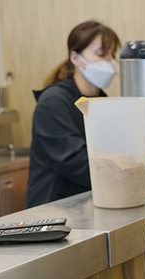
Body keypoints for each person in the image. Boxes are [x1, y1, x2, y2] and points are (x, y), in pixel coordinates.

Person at [25, 20, 119, 207]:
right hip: (55, 208)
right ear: (75, 58)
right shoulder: (53, 102)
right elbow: (76, 161)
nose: (109, 61)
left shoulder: (101, 100)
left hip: (89, 202)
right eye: (101, 53)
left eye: (112, 54)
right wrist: (123, 171)